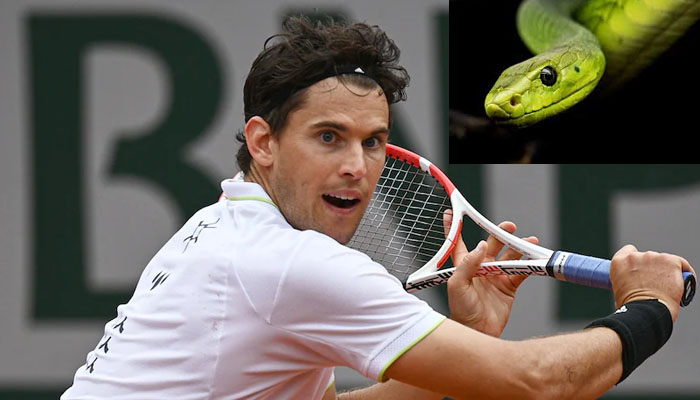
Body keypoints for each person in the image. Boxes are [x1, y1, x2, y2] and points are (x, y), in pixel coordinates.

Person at [62, 16, 695, 399]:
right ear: (263, 142)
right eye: (328, 137)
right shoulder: (290, 265)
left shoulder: (213, 226)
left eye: (373, 142)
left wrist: (469, 341)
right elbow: (534, 383)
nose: (356, 167)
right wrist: (650, 307)